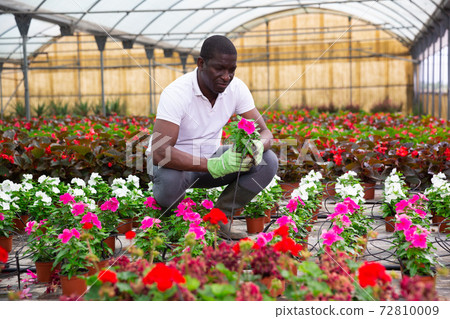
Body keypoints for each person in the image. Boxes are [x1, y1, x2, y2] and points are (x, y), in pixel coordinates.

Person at [147, 35, 278, 239]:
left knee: (267, 161)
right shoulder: (177, 93)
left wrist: (258, 145)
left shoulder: (236, 89)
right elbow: (160, 152)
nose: (226, 76)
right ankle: (177, 224)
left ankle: (217, 219)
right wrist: (211, 165)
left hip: (211, 158)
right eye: (219, 69)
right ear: (201, 63)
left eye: (231, 70)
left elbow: (266, 132)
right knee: (171, 183)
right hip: (175, 166)